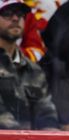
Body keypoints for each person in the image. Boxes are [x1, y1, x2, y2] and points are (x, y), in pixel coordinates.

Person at [0, 0, 59, 130]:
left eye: (20, 14)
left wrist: (51, 135)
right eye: (7, 14)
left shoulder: (33, 70)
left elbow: (46, 113)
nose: (15, 18)